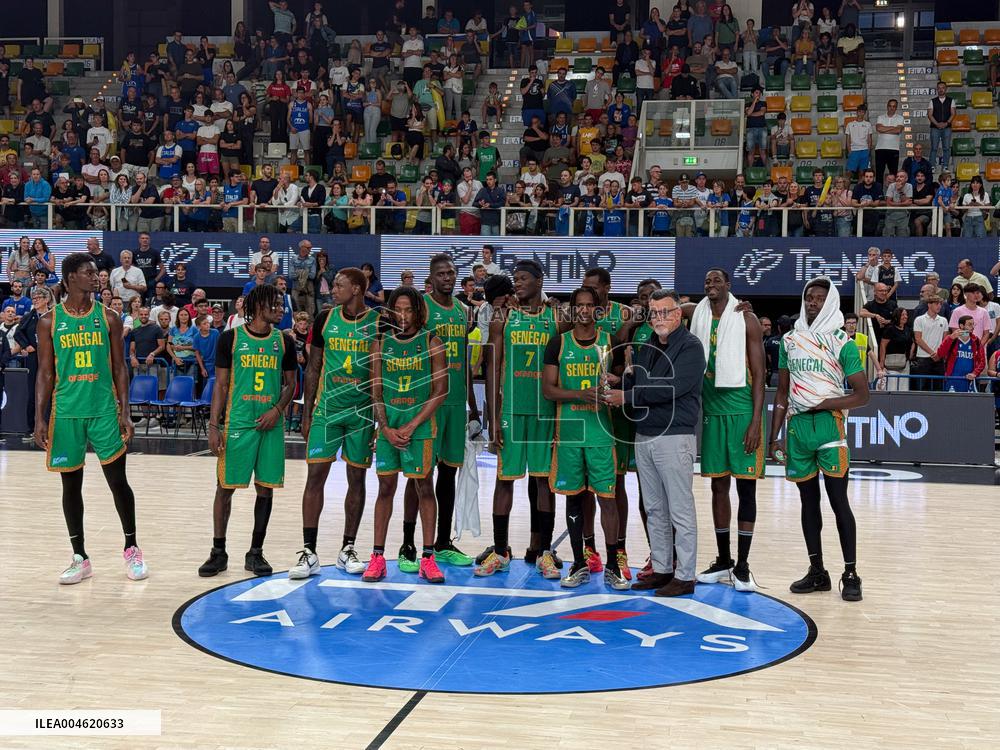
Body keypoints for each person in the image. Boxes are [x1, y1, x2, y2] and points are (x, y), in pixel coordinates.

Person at [33, 253, 147, 584]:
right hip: (67, 412)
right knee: (71, 485)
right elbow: (45, 373)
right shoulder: (49, 321)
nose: (96, 277)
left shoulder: (109, 317)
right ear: (70, 278)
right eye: (88, 272)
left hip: (103, 410)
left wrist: (125, 411)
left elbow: (119, 367)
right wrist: (40, 418)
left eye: (96, 272)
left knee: (118, 482)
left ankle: (132, 548)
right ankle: (80, 557)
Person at [768, 277, 869, 602]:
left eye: (819, 298)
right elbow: (781, 393)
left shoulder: (842, 342)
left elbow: (862, 395)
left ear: (831, 302)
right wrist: (774, 437)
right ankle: (817, 571)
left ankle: (851, 574)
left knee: (839, 502)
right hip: (797, 428)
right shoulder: (789, 340)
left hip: (829, 426)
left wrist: (825, 403)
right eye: (809, 297)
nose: (812, 302)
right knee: (808, 503)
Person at [607, 288, 705, 596]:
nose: (658, 318)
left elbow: (670, 388)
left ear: (678, 314)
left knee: (680, 510)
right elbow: (641, 382)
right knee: (654, 508)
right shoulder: (648, 344)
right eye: (654, 313)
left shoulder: (691, 347)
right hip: (645, 435)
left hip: (674, 436)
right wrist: (621, 380)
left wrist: (627, 395)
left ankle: (685, 575)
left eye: (665, 312)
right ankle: (662, 569)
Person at [198, 285, 297, 577]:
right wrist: (214, 426)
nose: (280, 309)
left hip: (270, 425)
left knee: (265, 488)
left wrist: (277, 410)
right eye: (274, 304)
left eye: (281, 304)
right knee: (224, 488)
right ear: (257, 306)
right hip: (238, 422)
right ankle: (218, 551)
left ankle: (256, 552)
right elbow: (221, 385)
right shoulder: (230, 338)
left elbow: (291, 384)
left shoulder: (284, 341)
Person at [475, 260, 560, 578]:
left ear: (540, 281)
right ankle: (500, 551)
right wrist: (493, 417)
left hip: (544, 411)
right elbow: (493, 366)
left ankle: (545, 552)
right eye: (516, 279)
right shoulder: (503, 316)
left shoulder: (556, 316)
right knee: (504, 480)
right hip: (511, 410)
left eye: (523, 278)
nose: (518, 283)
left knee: (544, 482)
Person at [395, 256, 480, 572]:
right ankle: (407, 545)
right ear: (430, 278)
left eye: (451, 272)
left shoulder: (462, 310)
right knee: (419, 474)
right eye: (441, 273)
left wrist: (473, 405)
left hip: (455, 403)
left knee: (448, 472)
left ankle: (442, 543)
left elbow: (465, 360)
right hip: (427, 402)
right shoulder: (423, 309)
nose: (447, 277)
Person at [541, 286, 627, 590]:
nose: (585, 310)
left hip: (601, 433)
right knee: (574, 498)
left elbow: (621, 381)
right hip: (569, 433)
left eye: (590, 305)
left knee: (607, 500)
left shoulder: (610, 342)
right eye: (580, 305)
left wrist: (616, 382)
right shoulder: (558, 343)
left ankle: (613, 564)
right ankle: (579, 563)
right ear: (572, 309)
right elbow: (548, 390)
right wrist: (581, 394)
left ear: (598, 310)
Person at [363, 287, 448, 583]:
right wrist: (385, 427)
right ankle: (377, 558)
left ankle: (428, 558)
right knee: (385, 489)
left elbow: (441, 390)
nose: (402, 315)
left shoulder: (431, 341)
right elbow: (376, 391)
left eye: (408, 309)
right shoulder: (380, 343)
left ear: (418, 311)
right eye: (397, 309)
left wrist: (411, 426)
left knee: (424, 487)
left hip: (419, 427)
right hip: (389, 426)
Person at [690, 269, 766, 592]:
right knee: (718, 487)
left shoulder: (746, 319)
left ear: (728, 286)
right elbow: (671, 307)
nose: (711, 285)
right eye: (707, 281)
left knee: (746, 489)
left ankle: (743, 565)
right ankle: (724, 559)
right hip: (712, 412)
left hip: (742, 412)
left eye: (717, 281)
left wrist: (756, 422)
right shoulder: (698, 314)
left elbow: (760, 375)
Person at [938, 315, 985, 392]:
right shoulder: (952, 339)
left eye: (973, 324)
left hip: (969, 381)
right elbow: (940, 354)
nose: (972, 327)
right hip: (952, 379)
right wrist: (950, 338)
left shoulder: (976, 341)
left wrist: (975, 373)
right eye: (969, 324)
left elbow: (982, 361)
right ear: (961, 326)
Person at [912, 298, 948, 391]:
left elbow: (945, 340)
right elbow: (918, 339)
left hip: (939, 359)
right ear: (929, 304)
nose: (939, 306)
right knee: (922, 387)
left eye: (940, 304)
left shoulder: (944, 320)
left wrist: (939, 354)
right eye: (936, 304)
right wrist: (932, 353)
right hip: (923, 357)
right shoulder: (919, 320)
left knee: (938, 387)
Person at [928, 81, 955, 169]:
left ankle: (945, 166)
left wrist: (946, 123)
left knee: (946, 147)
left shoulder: (951, 100)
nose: (941, 90)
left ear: (946, 89)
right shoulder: (932, 101)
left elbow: (953, 114)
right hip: (935, 128)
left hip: (947, 128)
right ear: (937, 89)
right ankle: (932, 166)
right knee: (934, 148)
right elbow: (930, 115)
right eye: (939, 88)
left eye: (943, 88)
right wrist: (937, 124)